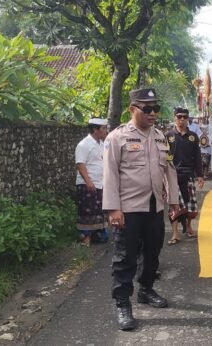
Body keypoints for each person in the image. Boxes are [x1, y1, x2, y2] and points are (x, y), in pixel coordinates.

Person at [102, 87, 180, 331]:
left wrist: (175, 201)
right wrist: (114, 209)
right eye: (147, 109)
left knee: (153, 254)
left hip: (155, 206)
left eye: (155, 108)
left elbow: (169, 170)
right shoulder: (117, 137)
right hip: (128, 208)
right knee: (125, 258)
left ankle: (146, 290)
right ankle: (123, 303)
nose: (153, 113)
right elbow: (110, 175)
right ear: (133, 109)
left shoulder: (159, 137)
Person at [165, 107, 205, 245]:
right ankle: (175, 233)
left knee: (190, 204)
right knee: (173, 204)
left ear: (188, 119)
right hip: (172, 175)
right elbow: (164, 157)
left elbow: (197, 157)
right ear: (174, 117)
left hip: (188, 175)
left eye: (184, 117)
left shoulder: (193, 136)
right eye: (179, 117)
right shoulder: (168, 136)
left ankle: (188, 225)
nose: (182, 119)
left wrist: (200, 175)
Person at [75, 117, 109, 246]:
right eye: (104, 128)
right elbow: (80, 164)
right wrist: (88, 182)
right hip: (87, 184)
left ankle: (98, 235)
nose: (106, 131)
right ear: (95, 129)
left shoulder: (100, 144)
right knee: (87, 210)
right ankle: (85, 238)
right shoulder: (84, 144)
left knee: (98, 210)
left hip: (99, 183)